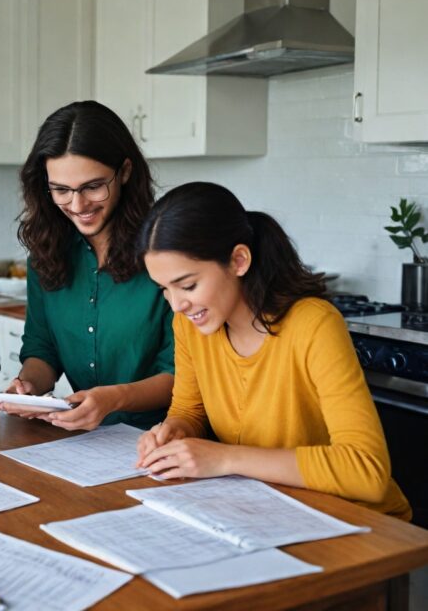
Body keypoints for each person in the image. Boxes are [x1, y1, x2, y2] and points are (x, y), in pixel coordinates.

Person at [135, 181, 411, 520]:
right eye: (164, 289)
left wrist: (223, 458)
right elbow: (189, 411)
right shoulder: (190, 326)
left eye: (188, 285)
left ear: (238, 260)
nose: (176, 304)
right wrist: (175, 434)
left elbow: (366, 471)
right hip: (267, 509)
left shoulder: (313, 324)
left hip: (356, 522)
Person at [0, 100, 175, 431]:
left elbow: (182, 374)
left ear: (125, 172)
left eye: (93, 186)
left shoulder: (165, 250)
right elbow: (42, 347)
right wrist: (29, 387)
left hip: (163, 440)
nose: (77, 205)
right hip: (86, 442)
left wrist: (113, 399)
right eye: (61, 190)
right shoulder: (47, 251)